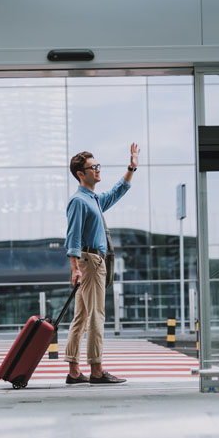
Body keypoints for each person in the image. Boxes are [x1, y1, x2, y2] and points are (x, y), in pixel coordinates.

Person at [64, 143, 140, 385]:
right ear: (80, 173)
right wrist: (74, 268)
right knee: (96, 315)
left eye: (98, 166)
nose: (97, 170)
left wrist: (131, 168)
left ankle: (74, 371)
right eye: (92, 167)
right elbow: (72, 236)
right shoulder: (79, 201)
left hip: (92, 260)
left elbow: (117, 192)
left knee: (82, 316)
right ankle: (96, 370)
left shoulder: (93, 199)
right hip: (90, 262)